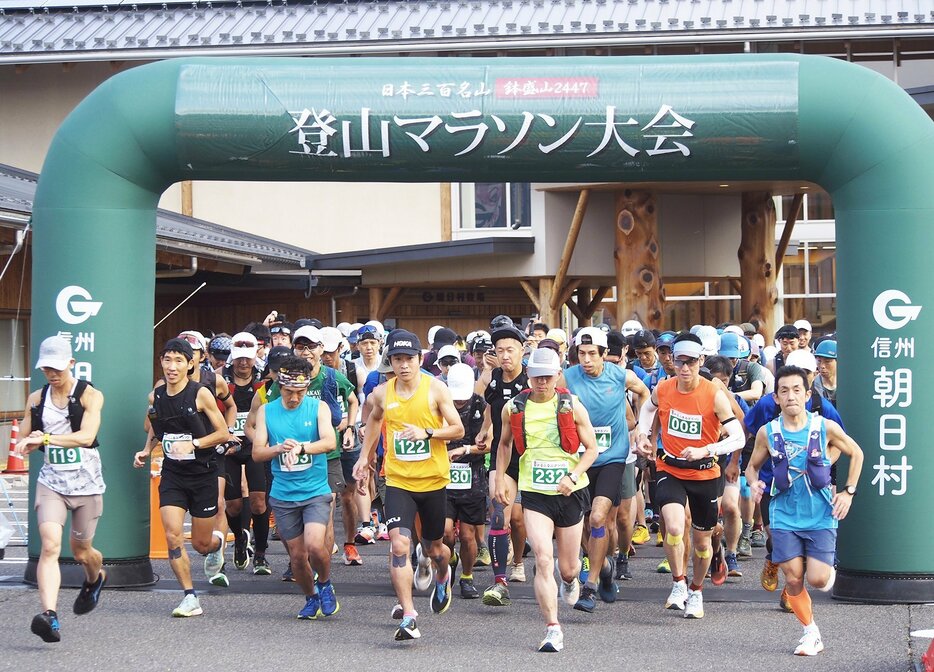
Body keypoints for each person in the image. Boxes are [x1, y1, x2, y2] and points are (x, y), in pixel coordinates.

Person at [353, 330, 464, 642]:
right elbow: (373, 419)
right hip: (398, 480)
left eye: (409, 359)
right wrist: (364, 458)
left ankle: (443, 573)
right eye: (397, 359)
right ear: (391, 361)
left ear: (419, 360)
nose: (403, 365)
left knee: (434, 547)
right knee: (400, 546)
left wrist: (428, 433)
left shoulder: (436, 390)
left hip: (432, 481)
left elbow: (457, 429)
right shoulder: (382, 393)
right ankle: (409, 614)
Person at [746, 365, 863, 656]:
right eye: (784, 391)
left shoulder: (824, 426)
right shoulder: (767, 432)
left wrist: (848, 492)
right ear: (776, 397)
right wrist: (754, 484)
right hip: (784, 513)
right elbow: (752, 467)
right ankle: (810, 632)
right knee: (794, 577)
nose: (791, 396)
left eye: (797, 390)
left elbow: (856, 452)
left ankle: (822, 571)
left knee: (819, 580)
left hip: (821, 513)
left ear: (808, 394)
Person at [634, 333, 746, 620]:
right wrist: (642, 433)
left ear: (701, 361)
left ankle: (697, 590)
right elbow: (648, 409)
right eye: (679, 361)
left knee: (702, 543)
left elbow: (738, 437)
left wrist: (706, 449)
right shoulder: (664, 388)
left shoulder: (713, 394)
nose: (684, 368)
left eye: (691, 362)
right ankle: (678, 583)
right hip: (670, 468)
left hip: (705, 474)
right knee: (672, 528)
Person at [496, 346, 599, 652]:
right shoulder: (514, 407)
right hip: (534, 493)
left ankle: (570, 580)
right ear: (528, 375)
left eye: (547, 376)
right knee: (542, 558)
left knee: (566, 568)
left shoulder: (572, 406)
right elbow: (503, 445)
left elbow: (592, 449)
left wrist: (571, 476)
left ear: (557, 375)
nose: (542, 382)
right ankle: (553, 628)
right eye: (536, 376)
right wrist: (500, 478)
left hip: (569, 492)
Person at [133, 338, 234, 617]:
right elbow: (154, 427)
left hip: (203, 474)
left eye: (179, 360)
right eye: (167, 360)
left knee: (201, 544)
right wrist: (145, 450)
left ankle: (217, 543)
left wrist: (195, 444)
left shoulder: (200, 393)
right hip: (173, 474)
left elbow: (223, 432)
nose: (172, 366)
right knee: (173, 535)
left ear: (190, 364)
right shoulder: (156, 396)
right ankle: (189, 596)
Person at [17, 336, 106, 643]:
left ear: (71, 363)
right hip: (51, 483)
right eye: (46, 368)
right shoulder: (35, 399)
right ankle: (50, 616)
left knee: (82, 552)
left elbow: (86, 436)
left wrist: (45, 440)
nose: (52, 374)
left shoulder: (90, 396)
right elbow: (24, 438)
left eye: (57, 367)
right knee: (51, 545)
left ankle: (96, 579)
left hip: (86, 484)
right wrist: (24, 444)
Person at [564, 327, 647, 612]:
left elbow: (645, 393)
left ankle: (591, 585)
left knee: (599, 518)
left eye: (591, 354)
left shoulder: (620, 376)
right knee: (583, 523)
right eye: (581, 354)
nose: (586, 360)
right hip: (579, 459)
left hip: (612, 458)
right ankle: (606, 566)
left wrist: (640, 430)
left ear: (603, 355)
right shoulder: (568, 377)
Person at [251, 356, 340, 620]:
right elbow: (256, 453)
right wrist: (278, 448)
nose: (294, 398)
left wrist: (302, 447)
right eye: (289, 392)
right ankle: (311, 596)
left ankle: (324, 583)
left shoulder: (318, 407)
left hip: (315, 491)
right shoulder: (267, 411)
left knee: (315, 545)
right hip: (283, 494)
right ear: (279, 385)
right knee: (298, 557)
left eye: (300, 392)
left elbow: (328, 442)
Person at [474, 322, 530, 603]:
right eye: (500, 350)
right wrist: (485, 430)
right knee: (500, 511)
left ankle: (519, 561)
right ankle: (499, 582)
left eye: (510, 350)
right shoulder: (494, 377)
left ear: (522, 350)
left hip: (531, 455)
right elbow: (488, 405)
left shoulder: (534, 379)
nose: (505, 355)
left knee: (519, 520)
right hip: (502, 452)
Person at [442, 363, 489, 599]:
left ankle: (467, 577)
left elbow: (490, 443)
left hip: (473, 475)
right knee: (446, 532)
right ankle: (450, 560)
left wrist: (465, 449)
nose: (459, 401)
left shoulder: (482, 405)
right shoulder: (439, 401)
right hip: (444, 476)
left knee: (469, 536)